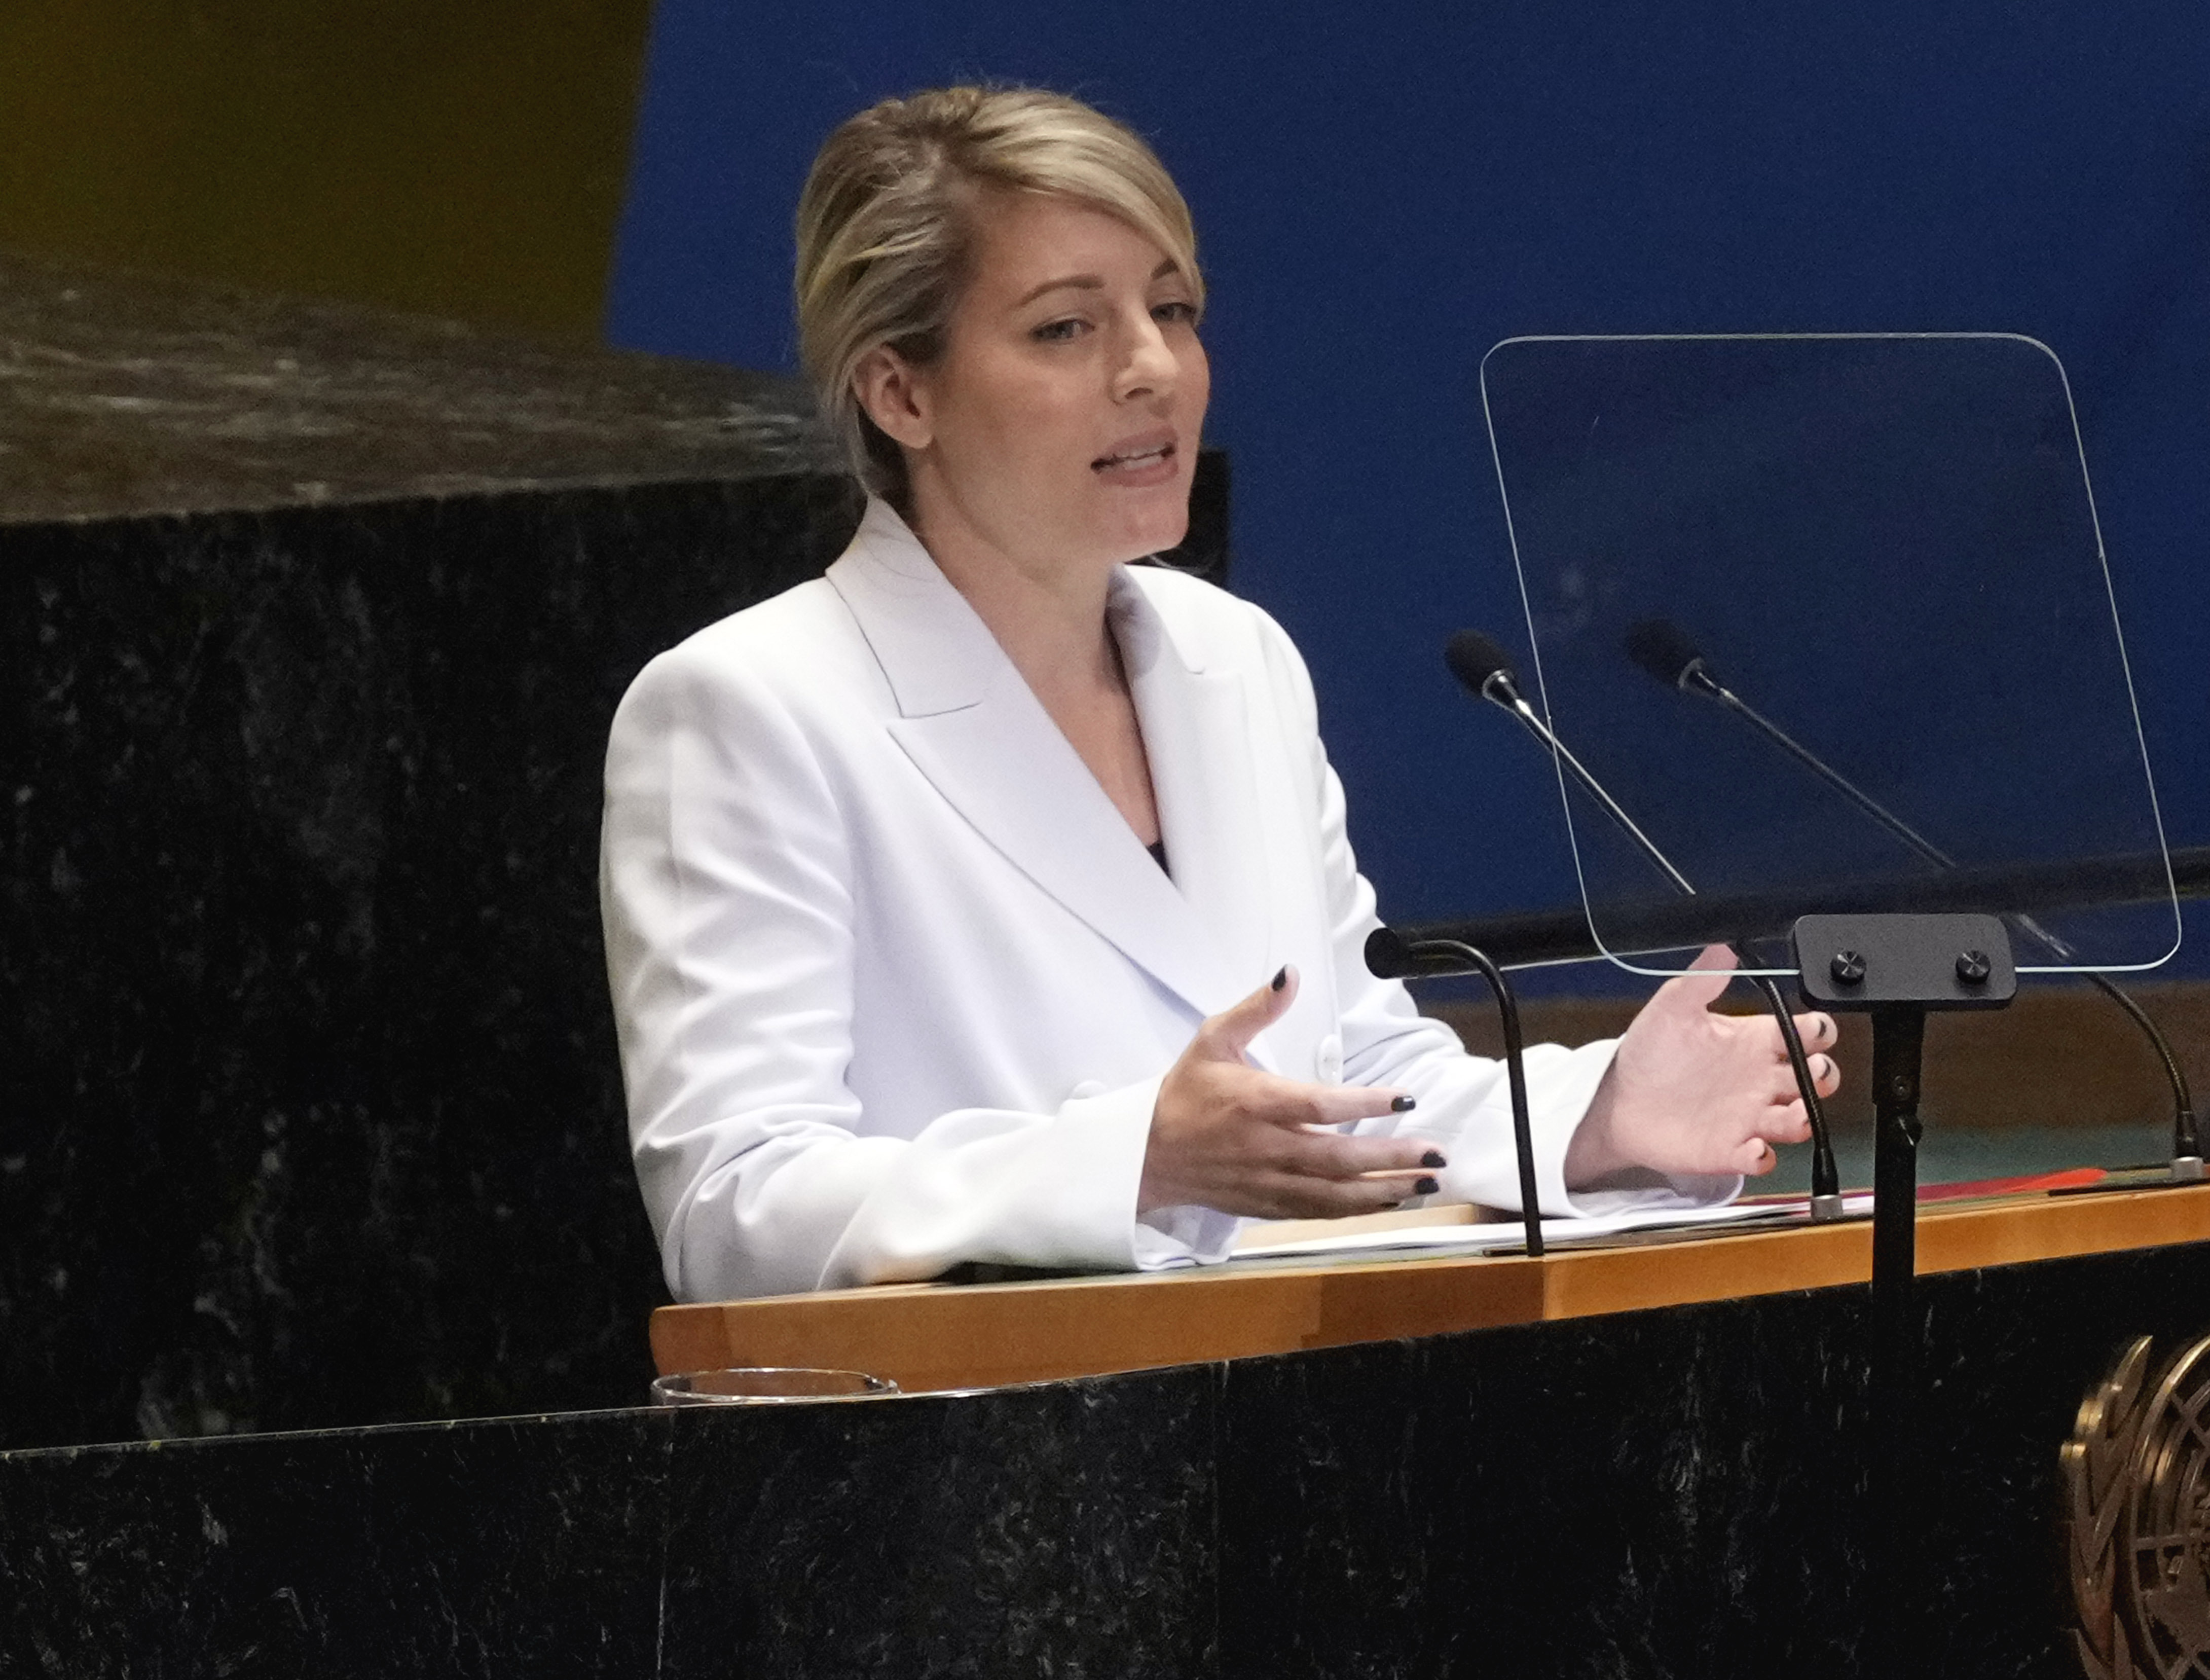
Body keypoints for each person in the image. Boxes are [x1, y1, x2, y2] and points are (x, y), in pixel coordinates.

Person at [600, 84, 1837, 1302]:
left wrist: (1599, 1114)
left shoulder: (1233, 659)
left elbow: (1355, 1076)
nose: (1153, 370)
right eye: (1065, 329)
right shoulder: (748, 707)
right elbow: (732, 1207)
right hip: (975, 1465)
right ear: (901, 393)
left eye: (1173, 310)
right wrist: (1136, 1160)